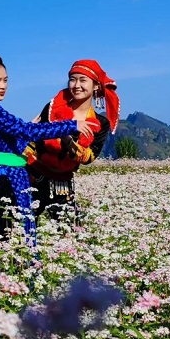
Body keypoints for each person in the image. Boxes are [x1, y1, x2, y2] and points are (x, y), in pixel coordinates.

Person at [0, 54, 94, 250]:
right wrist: (71, 125)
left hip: (9, 173)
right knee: (2, 232)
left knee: (8, 231)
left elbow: (16, 135)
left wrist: (27, 130)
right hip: (2, 175)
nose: (3, 86)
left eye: (5, 80)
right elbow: (27, 131)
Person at [25, 59, 119, 223]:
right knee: (20, 226)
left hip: (63, 182)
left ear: (96, 86)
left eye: (83, 80)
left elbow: (89, 157)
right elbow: (34, 140)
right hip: (34, 175)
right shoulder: (53, 108)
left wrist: (68, 141)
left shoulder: (100, 123)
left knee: (68, 230)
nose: (76, 85)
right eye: (73, 79)